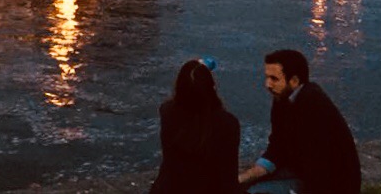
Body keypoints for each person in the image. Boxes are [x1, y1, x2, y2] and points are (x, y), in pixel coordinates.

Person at [239, 50, 360, 194]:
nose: (268, 84)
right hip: (299, 169)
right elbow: (278, 145)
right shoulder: (282, 99)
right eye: (267, 78)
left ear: (294, 81)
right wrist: (247, 176)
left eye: (274, 79)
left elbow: (319, 165)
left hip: (331, 183)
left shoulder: (313, 106)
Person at [151, 59, 241, 194]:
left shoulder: (167, 112)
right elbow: (228, 177)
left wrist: (197, 70)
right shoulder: (228, 123)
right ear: (213, 88)